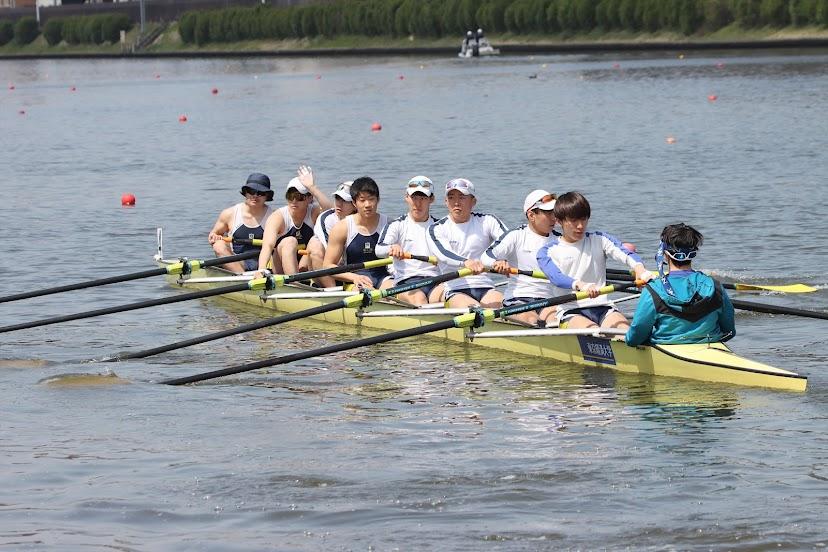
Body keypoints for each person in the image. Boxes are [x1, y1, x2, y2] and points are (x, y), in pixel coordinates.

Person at [536, 191, 653, 330]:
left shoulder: (600, 239)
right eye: (574, 221)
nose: (580, 226)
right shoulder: (547, 252)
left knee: (626, 332)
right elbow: (556, 277)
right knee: (593, 331)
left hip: (603, 306)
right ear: (559, 221)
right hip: (571, 310)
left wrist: (640, 269)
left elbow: (625, 253)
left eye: (583, 219)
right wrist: (581, 285)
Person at [626, 223, 735, 346]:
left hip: (666, 347)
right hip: (710, 344)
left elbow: (634, 338)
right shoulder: (715, 286)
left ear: (664, 254)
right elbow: (729, 331)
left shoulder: (653, 290)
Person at [482, 190, 560, 326]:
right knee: (532, 320)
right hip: (518, 299)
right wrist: (497, 263)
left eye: (555, 212)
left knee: (556, 321)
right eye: (548, 213)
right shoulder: (516, 236)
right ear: (531, 215)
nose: (554, 218)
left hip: (549, 300)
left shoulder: (560, 240)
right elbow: (485, 257)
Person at [427, 178, 507, 308]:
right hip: (455, 288)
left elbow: (508, 241)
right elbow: (444, 254)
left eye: (462, 197)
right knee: (475, 310)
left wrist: (502, 259)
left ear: (473, 201)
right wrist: (466, 262)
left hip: (485, 286)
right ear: (446, 202)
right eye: (451, 198)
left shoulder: (488, 221)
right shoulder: (437, 228)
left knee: (505, 307)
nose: (456, 202)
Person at [375, 176, 443, 305]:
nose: (417, 203)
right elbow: (379, 250)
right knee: (419, 298)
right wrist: (391, 248)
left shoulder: (440, 227)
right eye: (414, 198)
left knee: (452, 295)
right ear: (406, 197)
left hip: (436, 281)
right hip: (406, 282)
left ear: (431, 199)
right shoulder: (396, 225)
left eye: (423, 198)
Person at [256, 165, 332, 276]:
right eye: (290, 196)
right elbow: (267, 246)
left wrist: (312, 187)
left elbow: (331, 211)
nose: (294, 201)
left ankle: (304, 277)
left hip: (305, 264)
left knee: (315, 242)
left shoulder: (314, 212)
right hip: (280, 267)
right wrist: (261, 269)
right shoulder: (278, 217)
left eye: (299, 197)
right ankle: (294, 282)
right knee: (290, 241)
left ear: (310, 198)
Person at [323, 176, 391, 290]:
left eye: (371, 199)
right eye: (362, 200)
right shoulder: (342, 228)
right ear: (354, 203)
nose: (367, 204)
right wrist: (354, 277)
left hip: (384, 278)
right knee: (368, 292)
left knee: (396, 291)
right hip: (354, 280)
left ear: (378, 200)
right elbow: (327, 266)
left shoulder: (389, 224)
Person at [207, 173, 274, 273]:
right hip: (238, 262)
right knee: (218, 245)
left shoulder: (274, 216)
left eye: (260, 193)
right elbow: (213, 235)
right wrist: (214, 237)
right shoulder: (229, 214)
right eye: (251, 191)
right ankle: (242, 277)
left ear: (267, 196)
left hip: (266, 263)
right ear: (245, 192)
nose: (255, 196)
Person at [305, 180, 355, 288]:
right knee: (314, 244)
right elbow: (333, 258)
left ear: (355, 204)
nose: (339, 204)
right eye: (337, 198)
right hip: (330, 270)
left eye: (345, 200)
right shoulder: (326, 218)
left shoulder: (365, 219)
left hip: (354, 269)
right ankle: (333, 290)